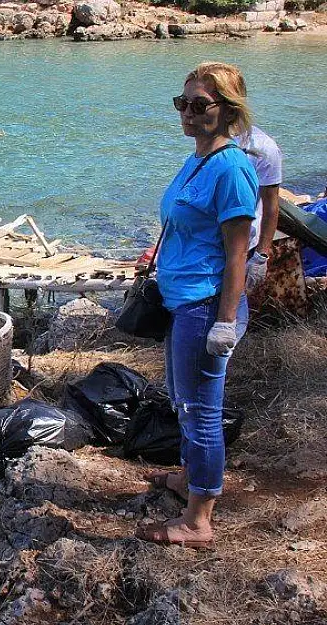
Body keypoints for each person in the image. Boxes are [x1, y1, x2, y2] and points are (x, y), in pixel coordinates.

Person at [139, 62, 259, 548]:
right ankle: (192, 476)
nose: (187, 112)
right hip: (181, 300)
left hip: (207, 306)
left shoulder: (231, 169)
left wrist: (225, 322)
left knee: (200, 409)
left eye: (199, 104)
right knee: (181, 398)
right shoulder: (198, 159)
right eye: (181, 102)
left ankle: (198, 519)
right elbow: (187, 226)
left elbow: (237, 253)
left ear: (228, 110)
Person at [239, 125, 283, 293]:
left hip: (243, 247)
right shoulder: (205, 137)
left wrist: (260, 256)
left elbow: (271, 205)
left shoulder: (263, 146)